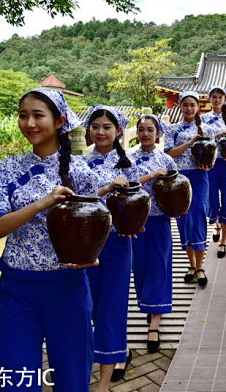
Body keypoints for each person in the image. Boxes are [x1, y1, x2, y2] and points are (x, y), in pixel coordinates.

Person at [0, 88, 121, 391]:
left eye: (37, 115)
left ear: (59, 121)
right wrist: (41, 204)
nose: (29, 123)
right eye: (23, 115)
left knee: (72, 377)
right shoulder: (7, 170)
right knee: (18, 380)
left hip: (67, 287)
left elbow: (96, 221)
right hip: (17, 287)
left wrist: (92, 252)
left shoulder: (81, 171)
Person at [82, 105, 137, 388]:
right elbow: (75, 200)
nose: (101, 131)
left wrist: (133, 225)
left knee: (112, 305)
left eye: (107, 127)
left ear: (118, 132)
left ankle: (103, 382)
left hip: (117, 243)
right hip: (85, 245)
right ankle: (83, 362)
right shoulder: (78, 164)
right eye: (95, 126)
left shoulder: (129, 164)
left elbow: (139, 202)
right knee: (86, 304)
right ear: (89, 131)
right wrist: (105, 189)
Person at [131, 114, 177, 353]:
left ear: (158, 133)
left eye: (150, 130)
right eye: (141, 130)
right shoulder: (128, 158)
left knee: (160, 266)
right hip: (135, 221)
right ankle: (147, 305)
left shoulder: (167, 159)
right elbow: (126, 184)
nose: (145, 134)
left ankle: (155, 323)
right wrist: (150, 176)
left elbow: (176, 187)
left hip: (159, 221)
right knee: (140, 267)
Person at [164, 91, 214, 286]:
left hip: (200, 177)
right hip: (179, 179)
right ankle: (190, 264)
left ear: (198, 107)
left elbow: (211, 153)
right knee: (184, 220)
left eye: (192, 105)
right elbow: (169, 154)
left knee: (199, 216)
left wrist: (208, 165)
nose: (189, 108)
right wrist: (191, 141)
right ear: (180, 106)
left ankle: (200, 266)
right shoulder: (172, 130)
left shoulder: (207, 129)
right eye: (185, 104)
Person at [202, 86, 226, 258]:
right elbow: (201, 140)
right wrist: (220, 133)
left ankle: (223, 241)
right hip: (210, 165)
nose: (217, 100)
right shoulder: (202, 118)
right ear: (209, 99)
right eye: (214, 97)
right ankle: (216, 223)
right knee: (211, 200)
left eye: (220, 97)